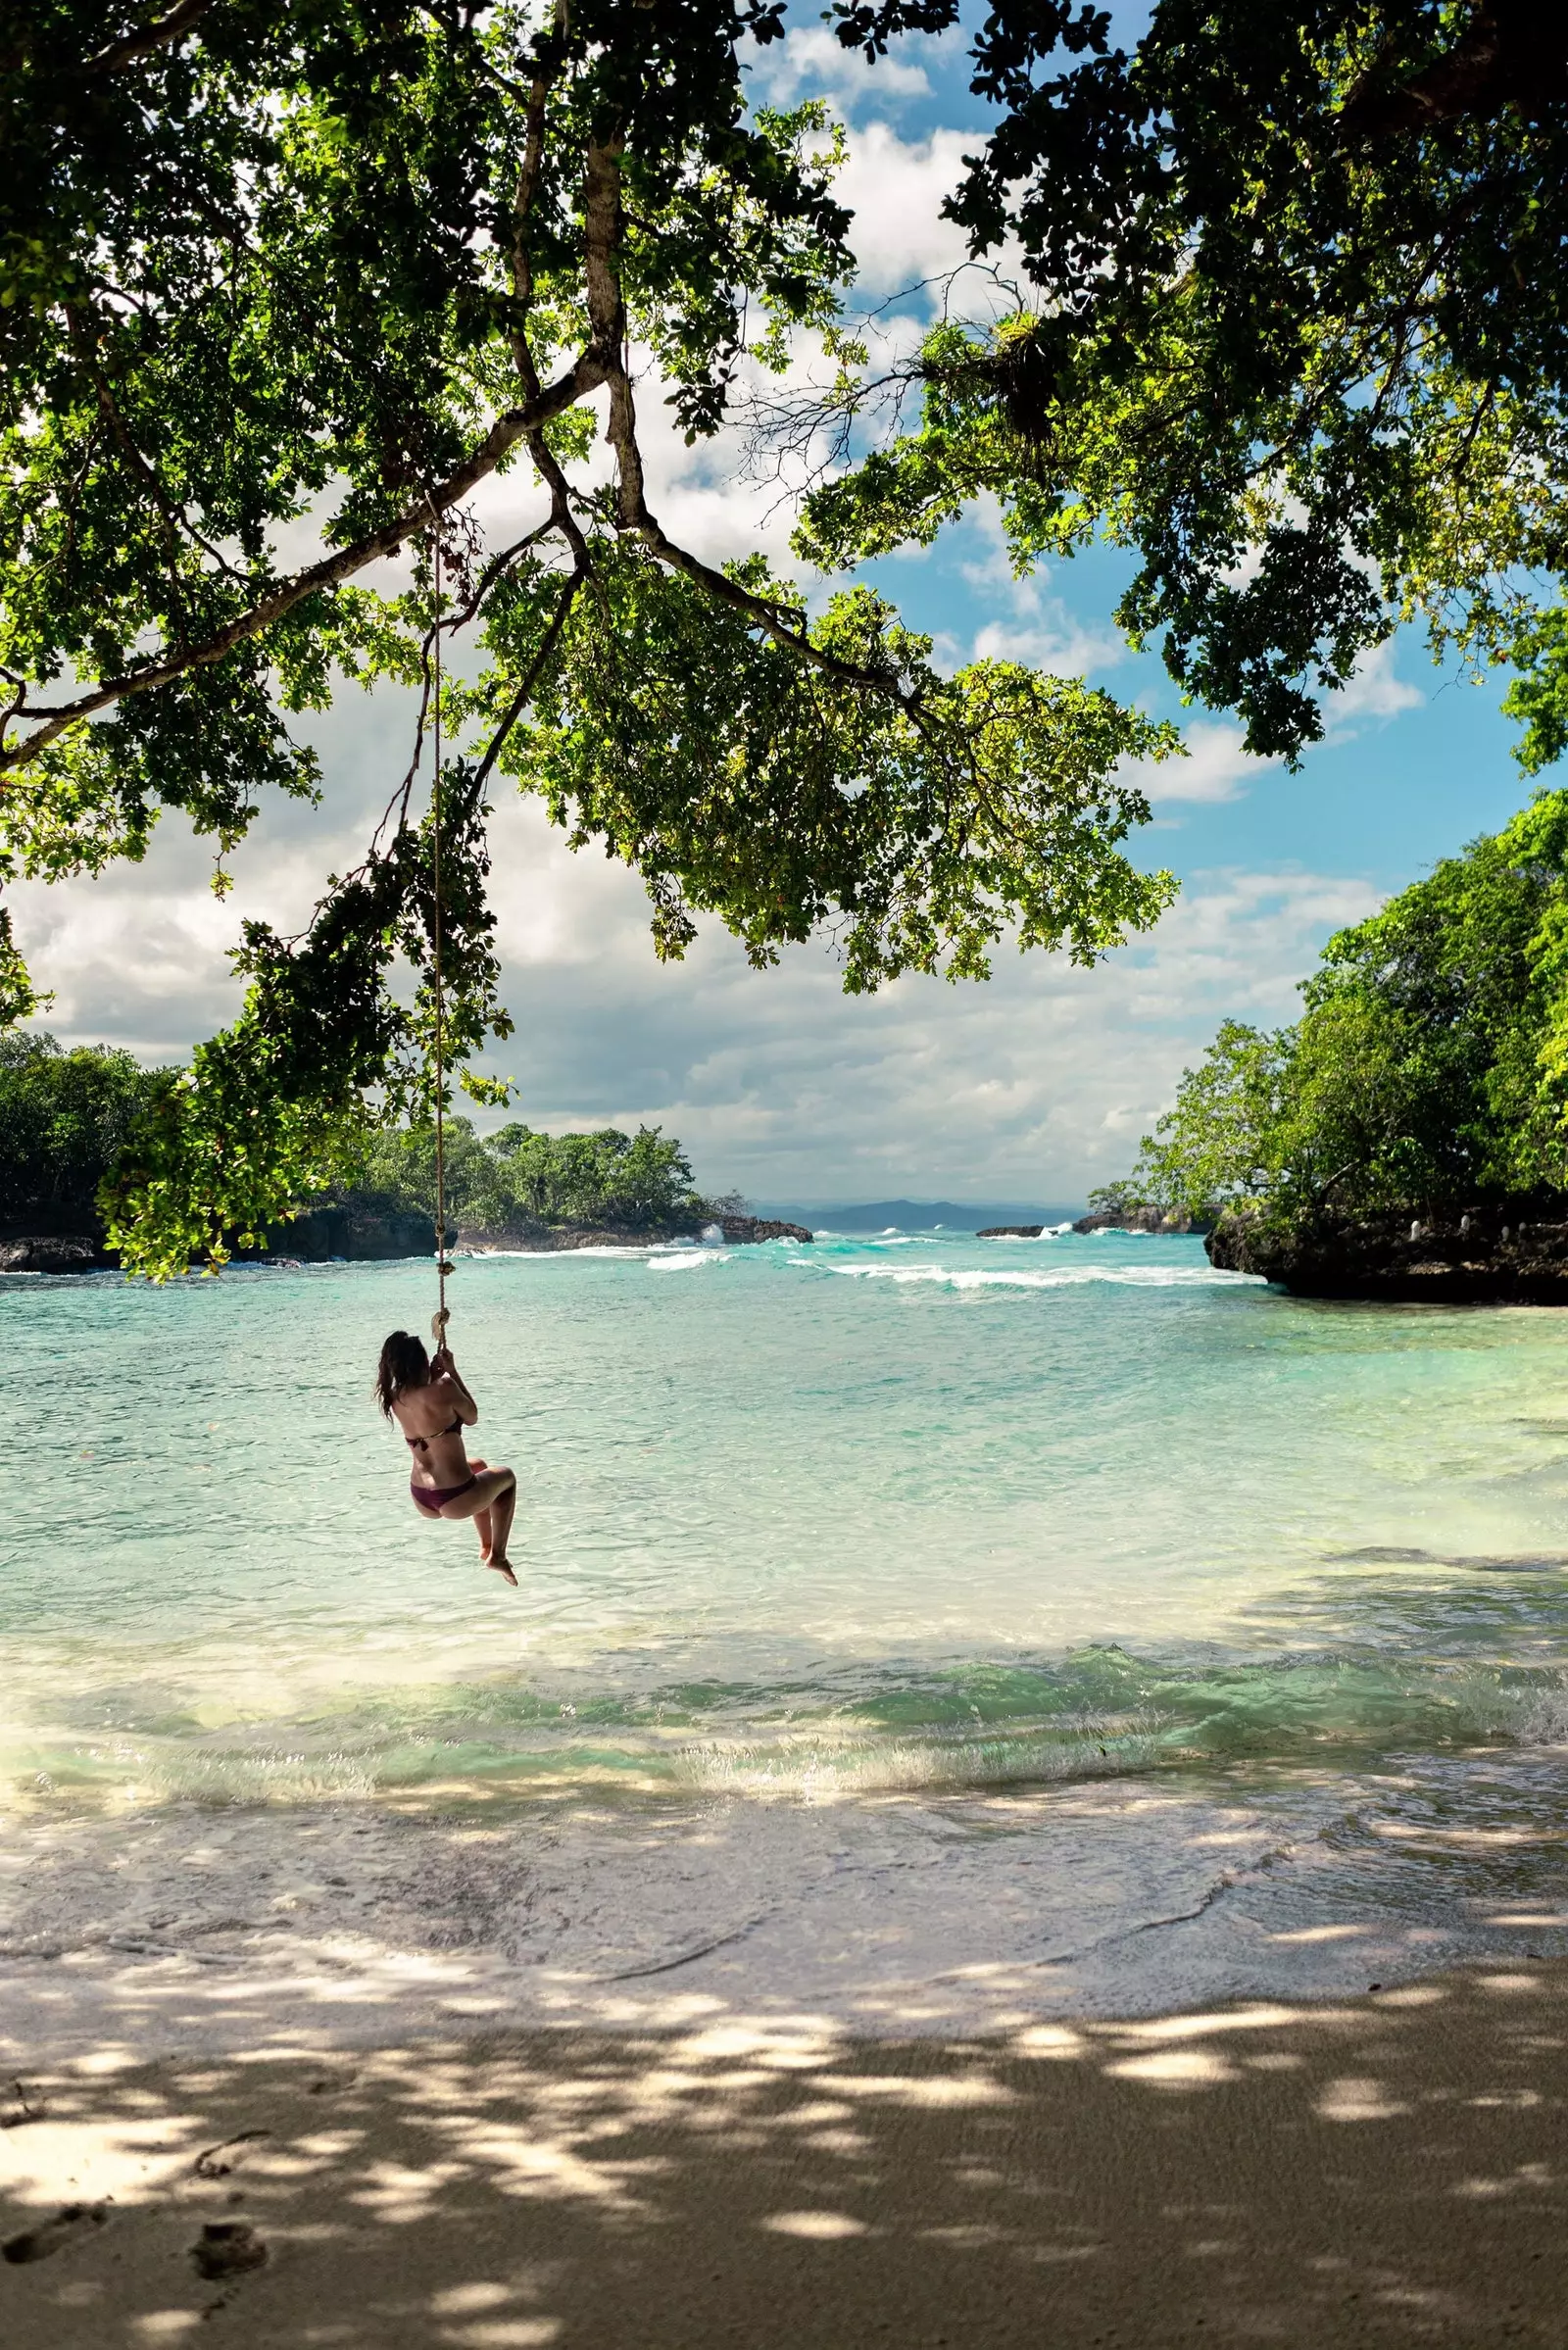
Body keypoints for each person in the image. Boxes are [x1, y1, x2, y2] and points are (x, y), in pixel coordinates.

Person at [376, 1326, 518, 1585]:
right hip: (456, 1497)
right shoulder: (444, 1386)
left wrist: (433, 1379)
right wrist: (452, 1371)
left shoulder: (395, 1397)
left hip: (421, 1497)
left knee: (479, 1466)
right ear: (421, 1362)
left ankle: (486, 1546)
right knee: (507, 1478)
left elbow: (424, 1402)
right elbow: (472, 1416)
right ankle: (498, 1554)